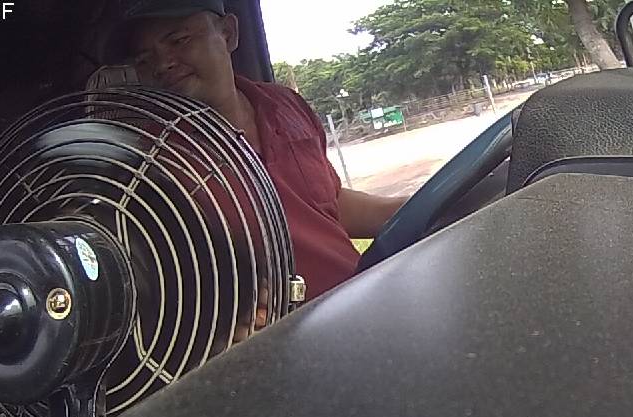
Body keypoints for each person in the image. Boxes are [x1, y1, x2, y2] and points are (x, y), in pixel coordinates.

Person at [106, 0, 408, 299]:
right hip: (284, 327)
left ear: (228, 33)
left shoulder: (285, 104)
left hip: (366, 295)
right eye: (144, 60)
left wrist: (416, 207)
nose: (162, 65)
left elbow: (327, 204)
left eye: (179, 40)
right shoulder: (149, 165)